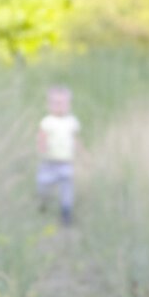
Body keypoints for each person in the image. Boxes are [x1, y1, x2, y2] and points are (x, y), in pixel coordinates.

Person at [36, 86, 83, 226]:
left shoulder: (71, 122)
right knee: (43, 184)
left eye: (63, 103)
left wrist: (82, 153)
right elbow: (41, 136)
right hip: (49, 162)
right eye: (56, 103)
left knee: (67, 188)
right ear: (49, 105)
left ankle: (66, 213)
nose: (60, 106)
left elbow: (75, 139)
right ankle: (43, 203)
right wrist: (42, 147)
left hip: (66, 162)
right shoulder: (47, 121)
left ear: (69, 104)